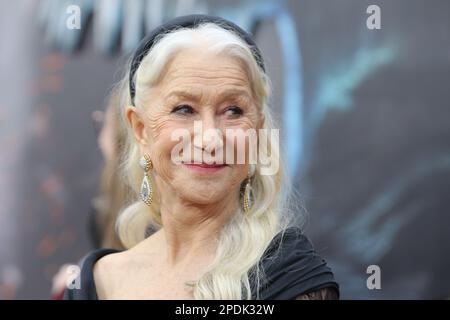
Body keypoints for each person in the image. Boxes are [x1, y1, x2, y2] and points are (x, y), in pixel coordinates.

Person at [65, 14, 339, 300]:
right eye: (184, 109)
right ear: (141, 130)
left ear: (256, 132)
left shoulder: (289, 277)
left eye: (233, 110)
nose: (210, 138)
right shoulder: (96, 282)